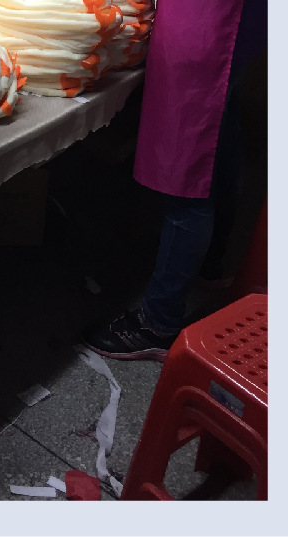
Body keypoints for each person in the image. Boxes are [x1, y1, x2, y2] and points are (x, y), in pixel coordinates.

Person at [83, 0, 267, 361]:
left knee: (186, 167)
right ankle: (211, 261)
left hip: (206, 19)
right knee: (216, 132)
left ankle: (158, 322)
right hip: (240, 20)